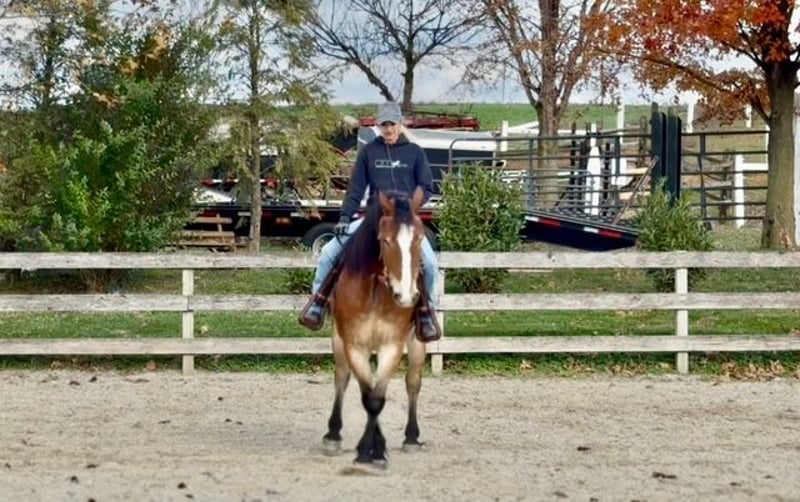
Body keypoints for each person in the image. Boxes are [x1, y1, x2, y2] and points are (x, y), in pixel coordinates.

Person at [298, 101, 441, 342]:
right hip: (373, 219)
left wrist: (410, 207)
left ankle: (427, 313)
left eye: (392, 124)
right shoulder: (369, 152)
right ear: (378, 126)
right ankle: (317, 304)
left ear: (400, 124)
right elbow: (355, 188)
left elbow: (426, 186)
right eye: (384, 125)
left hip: (405, 222)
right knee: (329, 253)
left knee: (430, 263)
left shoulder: (415, 152)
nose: (388, 129)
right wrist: (345, 217)